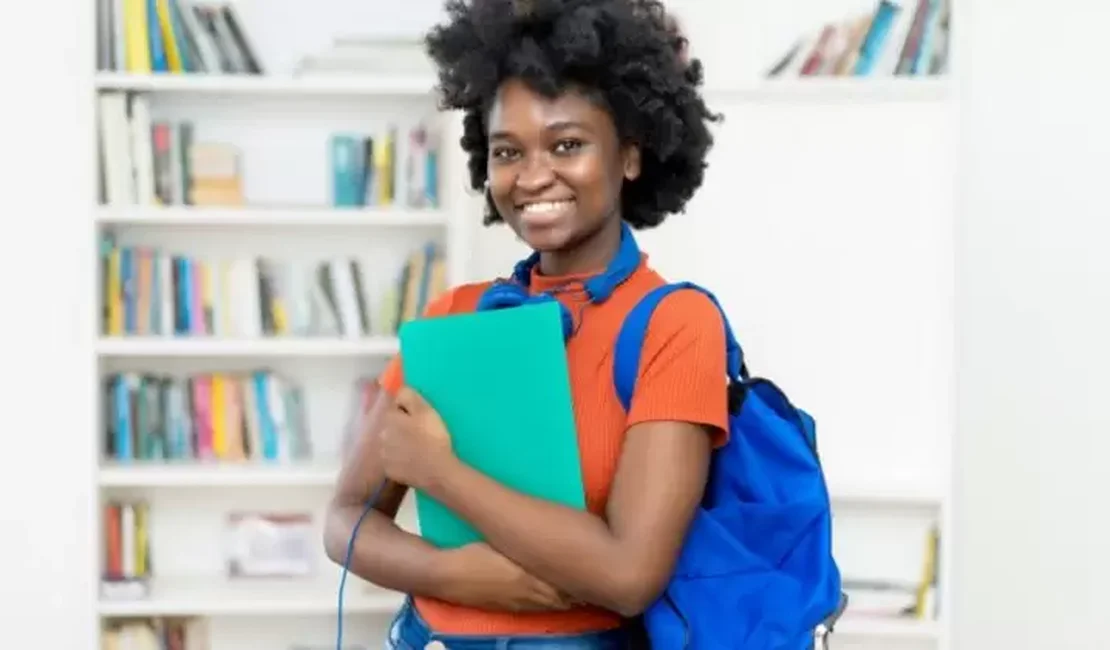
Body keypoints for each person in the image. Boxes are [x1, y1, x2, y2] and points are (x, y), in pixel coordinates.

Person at [324, 0, 727, 647]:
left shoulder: (675, 324)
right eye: (508, 151)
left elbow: (628, 575)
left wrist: (440, 471)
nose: (533, 175)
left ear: (628, 154)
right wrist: (457, 575)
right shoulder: (452, 318)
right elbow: (344, 519)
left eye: (567, 144)